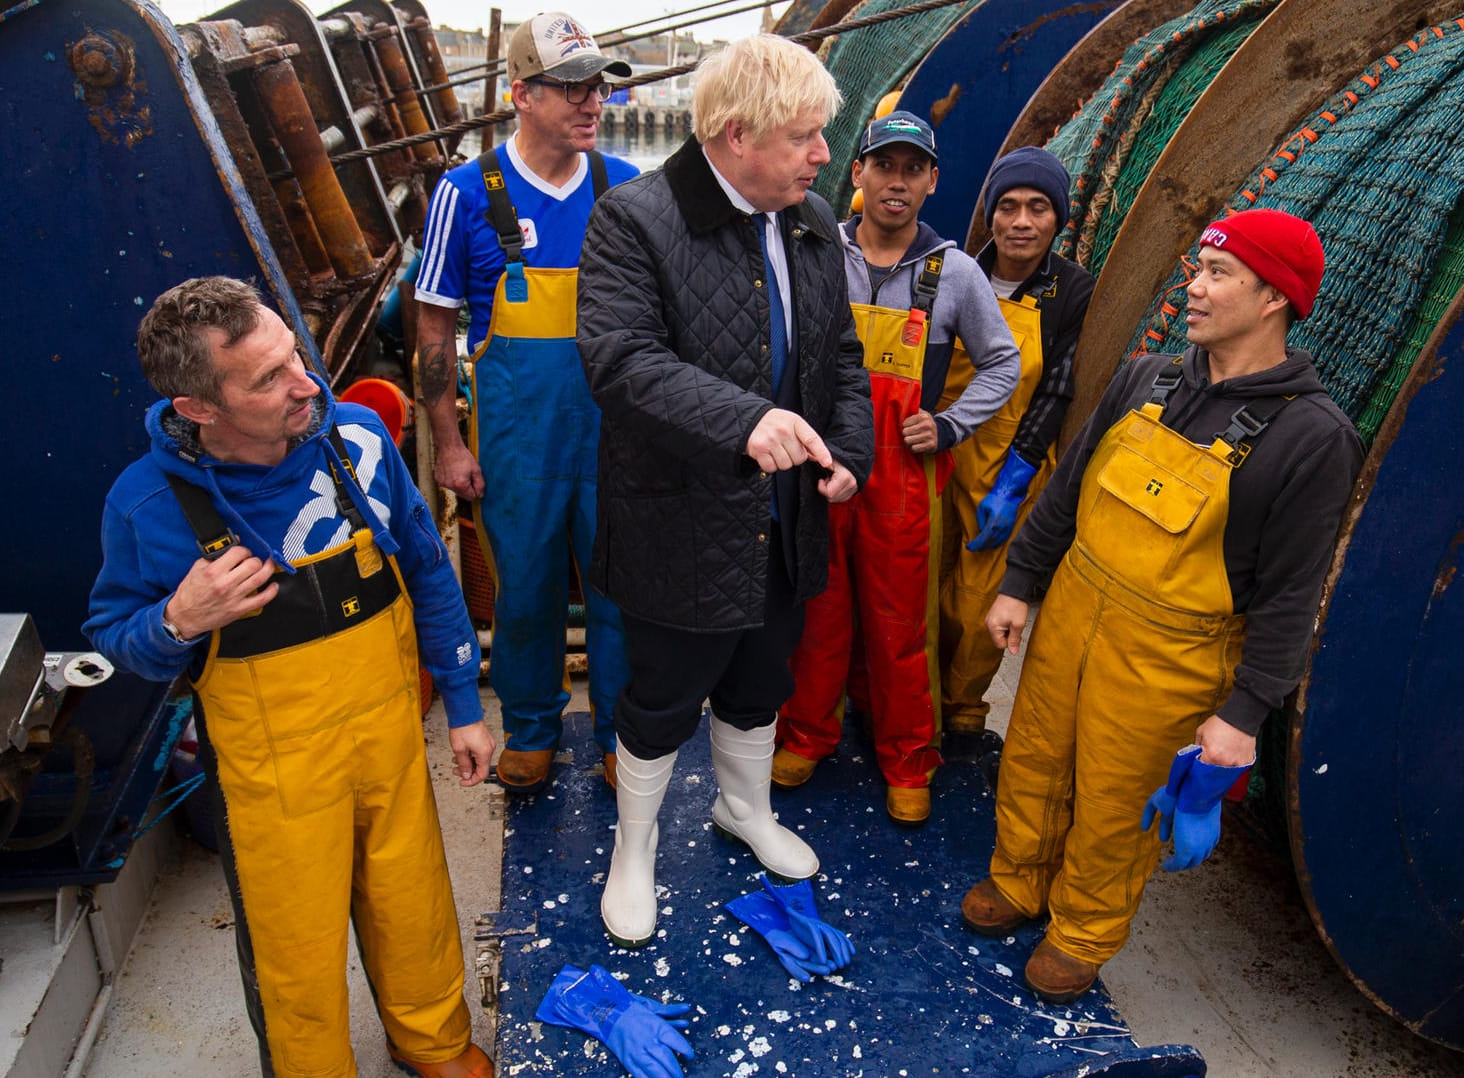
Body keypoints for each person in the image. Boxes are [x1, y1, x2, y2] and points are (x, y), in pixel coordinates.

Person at [85, 277, 496, 1077]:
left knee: (412, 901)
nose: (306, 383)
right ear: (199, 407)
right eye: (268, 378)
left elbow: (426, 566)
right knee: (292, 946)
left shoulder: (360, 437)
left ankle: (434, 1043)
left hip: (388, 739)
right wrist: (179, 619)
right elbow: (110, 640)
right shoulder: (146, 504)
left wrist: (463, 703)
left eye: (295, 357)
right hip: (272, 779)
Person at [959, 208, 1363, 1003]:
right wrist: (1020, 583)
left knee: (1116, 800)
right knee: (1036, 756)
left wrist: (1243, 715)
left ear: (1276, 297)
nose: (1195, 288)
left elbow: (1291, 597)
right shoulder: (1149, 378)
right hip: (1073, 610)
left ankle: (1081, 934)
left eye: (1218, 275)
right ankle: (1018, 880)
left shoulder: (1313, 439)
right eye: (1195, 271)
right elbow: (1069, 489)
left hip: (1172, 658)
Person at [576, 34, 874, 949]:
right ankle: (634, 849)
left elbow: (845, 361)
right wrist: (743, 421)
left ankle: (743, 809)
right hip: (683, 519)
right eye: (805, 138)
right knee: (662, 695)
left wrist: (849, 453)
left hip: (789, 519)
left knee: (761, 679)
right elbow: (621, 361)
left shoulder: (814, 220)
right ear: (736, 135)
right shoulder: (634, 219)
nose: (825, 156)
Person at [770, 111, 1020, 826]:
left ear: (932, 181)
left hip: (904, 476)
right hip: (822, 460)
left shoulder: (956, 273)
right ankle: (808, 734)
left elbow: (1002, 360)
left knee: (897, 622)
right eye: (884, 166)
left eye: (913, 169)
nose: (896, 182)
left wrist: (948, 424)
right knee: (816, 609)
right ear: (858, 173)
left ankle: (909, 758)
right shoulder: (816, 249)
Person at [413, 11, 637, 794]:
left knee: (620, 594)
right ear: (520, 94)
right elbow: (435, 327)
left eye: (598, 86)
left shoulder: (625, 187)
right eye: (571, 87)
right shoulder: (467, 194)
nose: (591, 102)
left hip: (616, 440)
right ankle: (533, 729)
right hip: (517, 441)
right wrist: (447, 441)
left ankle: (618, 737)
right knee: (526, 594)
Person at [938, 147, 1096, 758]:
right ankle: (911, 700)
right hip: (941, 447)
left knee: (978, 602)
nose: (1021, 222)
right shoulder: (955, 272)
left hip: (1008, 465)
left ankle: (961, 710)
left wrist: (1019, 471)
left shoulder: (1073, 291)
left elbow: (1058, 386)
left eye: (1037, 208)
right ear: (990, 216)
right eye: (1008, 207)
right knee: (924, 586)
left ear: (1058, 219)